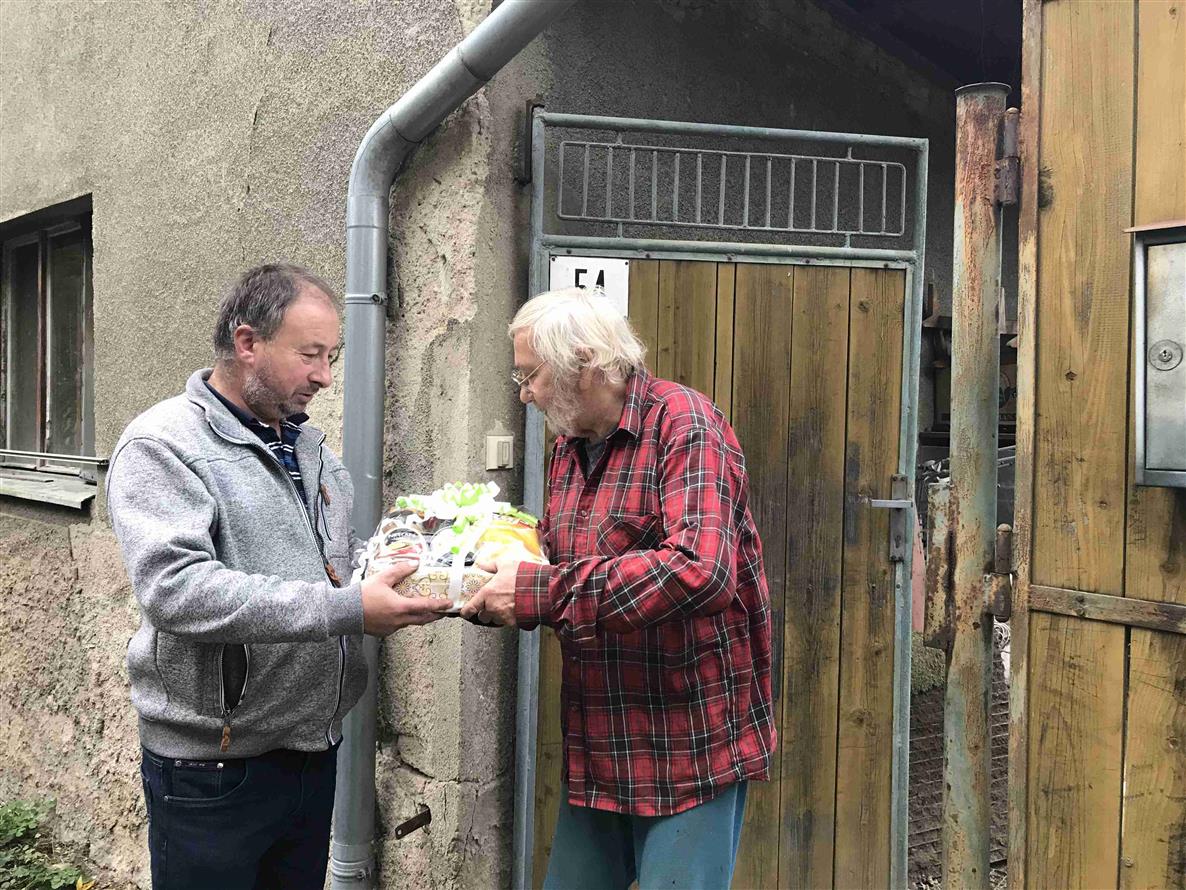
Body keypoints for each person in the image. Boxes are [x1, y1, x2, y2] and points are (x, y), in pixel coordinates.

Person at [106, 263, 448, 889]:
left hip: (312, 751)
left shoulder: (310, 449)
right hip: (213, 767)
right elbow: (175, 591)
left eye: (331, 357)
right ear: (247, 343)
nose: (324, 375)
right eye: (309, 355)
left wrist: (419, 566)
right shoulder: (163, 444)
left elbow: (334, 565)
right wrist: (349, 608)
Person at [461, 287, 775, 889]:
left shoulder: (684, 424)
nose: (524, 394)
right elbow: (564, 555)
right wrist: (482, 567)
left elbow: (701, 571)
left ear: (584, 363)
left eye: (531, 375)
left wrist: (540, 591)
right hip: (601, 743)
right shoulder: (570, 446)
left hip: (688, 745)